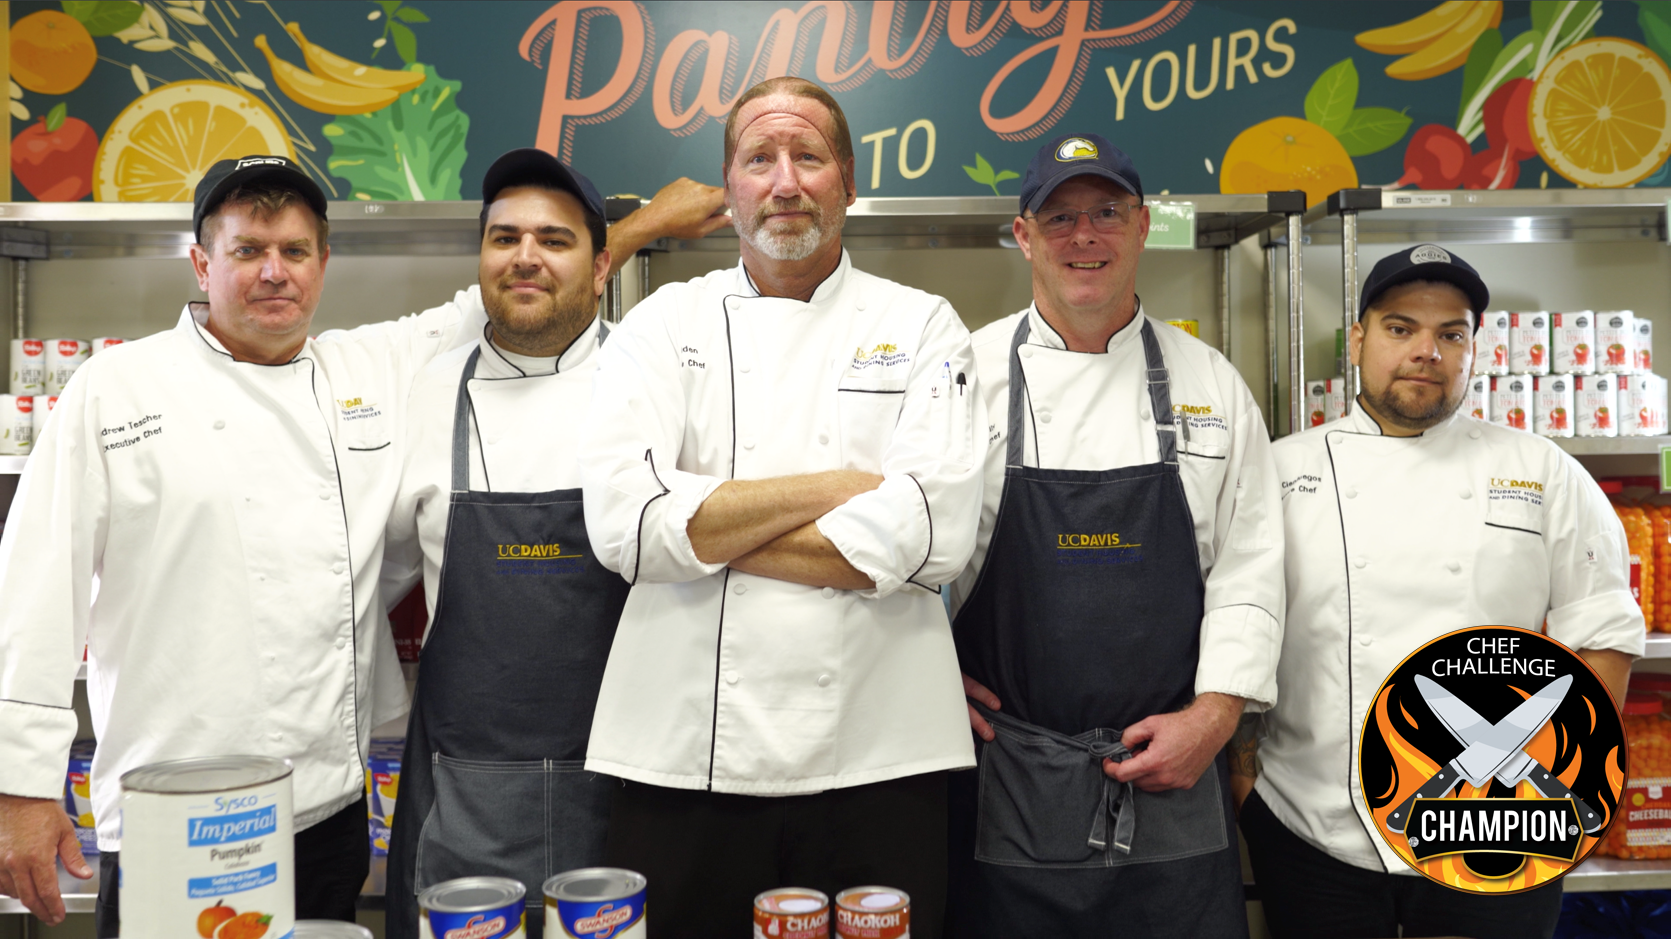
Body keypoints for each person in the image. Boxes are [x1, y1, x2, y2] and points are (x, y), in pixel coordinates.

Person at [0, 154, 725, 935]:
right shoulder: (114, 391)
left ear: (323, 263)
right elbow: (34, 594)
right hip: (175, 805)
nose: (273, 273)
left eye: (295, 251)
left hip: (323, 806)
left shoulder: (365, 372)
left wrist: (643, 224)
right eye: (248, 251)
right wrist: (21, 788)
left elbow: (516, 286)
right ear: (202, 262)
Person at [577, 76, 984, 939]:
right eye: (759, 158)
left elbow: (932, 534)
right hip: (683, 755)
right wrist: (838, 489)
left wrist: (700, 526)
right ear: (728, 189)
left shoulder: (923, 326)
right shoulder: (659, 325)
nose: (785, 181)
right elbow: (622, 524)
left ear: (847, 180)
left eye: (808, 156)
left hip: (883, 754)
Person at [1241, 244, 1641, 939]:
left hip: (1498, 822)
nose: (1425, 350)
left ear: (1472, 349)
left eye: (1450, 333)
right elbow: (1236, 631)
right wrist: (1243, 782)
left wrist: (1556, 781)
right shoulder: (1279, 471)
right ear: (1360, 338)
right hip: (1311, 821)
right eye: (1400, 328)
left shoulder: (1539, 468)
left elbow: (1602, 630)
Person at [947, 133, 1284, 938]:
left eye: (1104, 213)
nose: (1083, 236)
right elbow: (911, 556)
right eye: (1058, 217)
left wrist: (1214, 715)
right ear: (1024, 235)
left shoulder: (1211, 384)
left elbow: (1252, 565)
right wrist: (923, 675)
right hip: (1010, 776)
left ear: (1141, 225)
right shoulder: (963, 375)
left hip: (1174, 773)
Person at [379, 150, 718, 938]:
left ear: (602, 265)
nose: (524, 256)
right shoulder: (425, 392)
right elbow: (369, 573)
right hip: (462, 795)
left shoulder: (660, 387)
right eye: (503, 238)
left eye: (553, 240)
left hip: (631, 788)